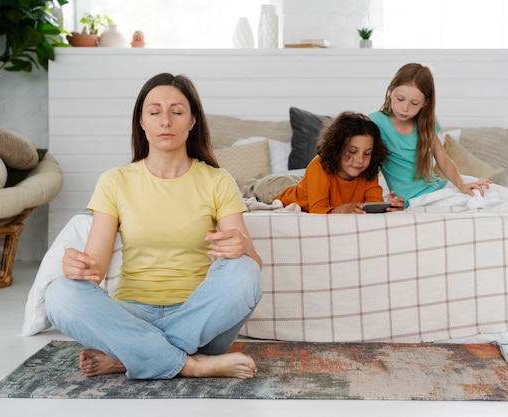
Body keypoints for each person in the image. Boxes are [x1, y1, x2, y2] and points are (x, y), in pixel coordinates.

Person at [45, 73, 263, 380]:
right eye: (154, 112)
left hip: (202, 321)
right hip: (132, 314)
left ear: (192, 121)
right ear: (141, 121)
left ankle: (133, 356)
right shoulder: (114, 181)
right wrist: (78, 267)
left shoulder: (218, 180)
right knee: (59, 294)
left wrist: (241, 248)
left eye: (176, 112)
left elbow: (253, 267)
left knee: (246, 271)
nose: (165, 121)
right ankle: (189, 364)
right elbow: (96, 268)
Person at [369, 63, 494, 208]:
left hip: (437, 188)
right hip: (413, 199)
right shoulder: (375, 122)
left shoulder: (426, 123)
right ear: (390, 91)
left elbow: (444, 160)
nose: (405, 108)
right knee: (477, 201)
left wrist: (461, 185)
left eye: (414, 103)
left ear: (425, 103)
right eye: (400, 99)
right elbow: (366, 164)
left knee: (487, 192)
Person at [273, 111, 404, 213]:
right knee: (258, 185)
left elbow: (373, 204)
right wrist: (343, 210)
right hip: (282, 193)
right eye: (353, 151)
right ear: (337, 148)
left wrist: (387, 206)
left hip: (305, 182)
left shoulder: (367, 170)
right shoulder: (319, 165)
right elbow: (317, 210)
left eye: (367, 153)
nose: (360, 160)